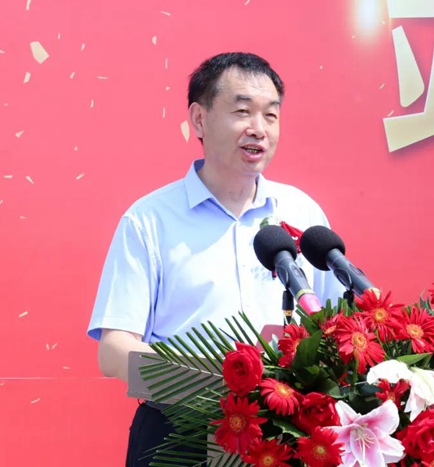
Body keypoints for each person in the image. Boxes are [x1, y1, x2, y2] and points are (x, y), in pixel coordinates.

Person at [86, 52, 345, 467]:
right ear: (199, 119)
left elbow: (334, 328)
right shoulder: (149, 220)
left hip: (284, 438)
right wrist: (219, 387)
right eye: (242, 111)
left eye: (271, 115)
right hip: (180, 435)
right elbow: (114, 351)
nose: (258, 128)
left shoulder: (303, 214)